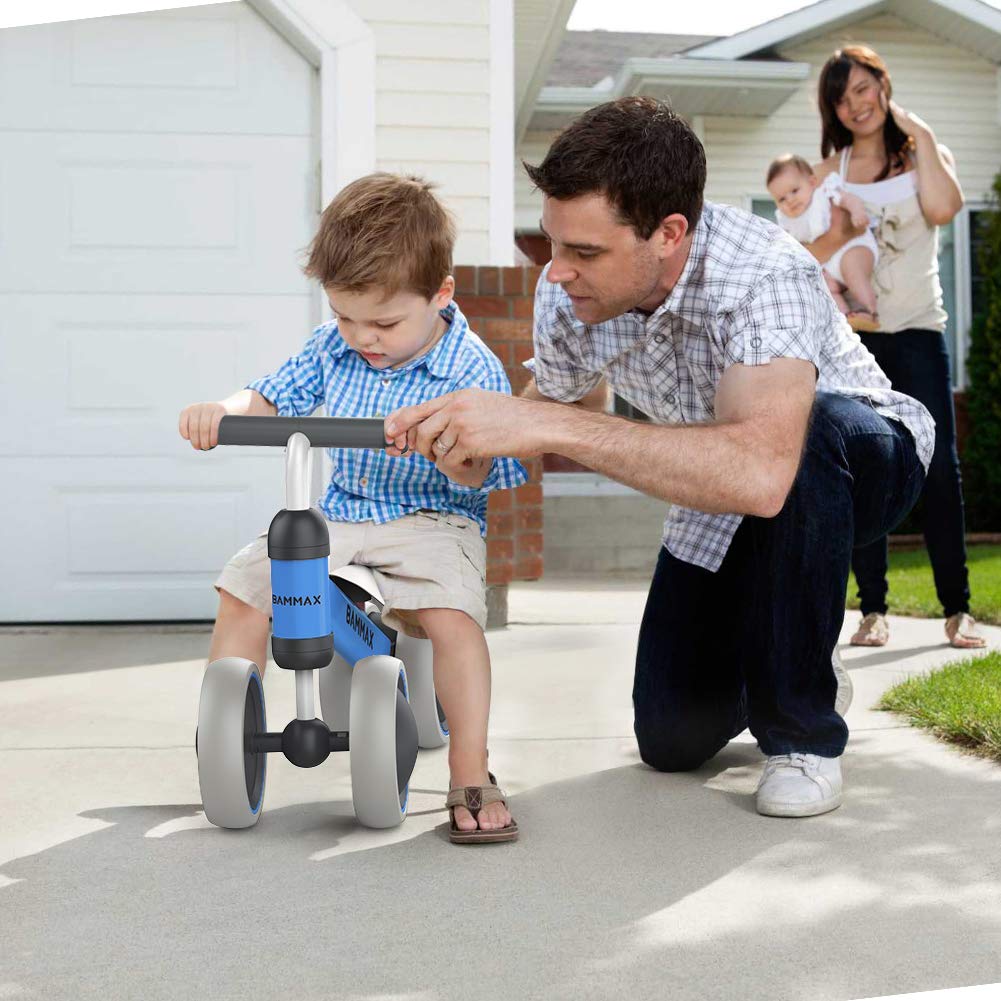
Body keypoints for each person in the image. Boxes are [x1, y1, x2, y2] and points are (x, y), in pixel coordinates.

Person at [384, 97, 935, 818]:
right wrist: (461, 443)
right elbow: (528, 422)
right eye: (553, 243)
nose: (557, 272)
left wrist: (551, 426)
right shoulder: (570, 295)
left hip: (861, 460)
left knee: (811, 428)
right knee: (671, 737)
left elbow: (762, 473)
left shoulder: (764, 273)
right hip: (723, 491)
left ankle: (804, 734)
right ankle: (796, 647)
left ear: (668, 233)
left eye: (584, 252)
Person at [178, 173, 527, 844]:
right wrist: (222, 412)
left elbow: (482, 470)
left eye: (385, 322)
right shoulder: (331, 345)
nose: (362, 336)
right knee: (247, 584)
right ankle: (226, 732)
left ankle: (469, 767)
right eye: (344, 316)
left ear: (441, 294)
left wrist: (447, 448)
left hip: (433, 520)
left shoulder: (471, 367)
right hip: (343, 511)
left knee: (452, 617)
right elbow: (272, 394)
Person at [808, 45, 985, 650]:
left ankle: (958, 610)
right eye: (842, 96)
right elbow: (815, 249)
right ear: (832, 108)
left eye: (864, 89)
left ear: (883, 86)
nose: (856, 104)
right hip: (858, 343)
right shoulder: (831, 171)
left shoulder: (923, 155)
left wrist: (924, 132)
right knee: (868, 468)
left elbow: (942, 207)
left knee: (939, 470)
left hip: (917, 330)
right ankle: (873, 611)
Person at [766, 153, 880, 330]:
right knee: (825, 285)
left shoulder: (824, 194)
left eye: (794, 191)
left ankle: (869, 310)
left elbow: (848, 199)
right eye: (781, 199)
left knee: (853, 270)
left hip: (855, 247)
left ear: (811, 183)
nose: (790, 200)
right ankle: (843, 318)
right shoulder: (785, 221)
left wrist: (857, 212)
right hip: (828, 264)